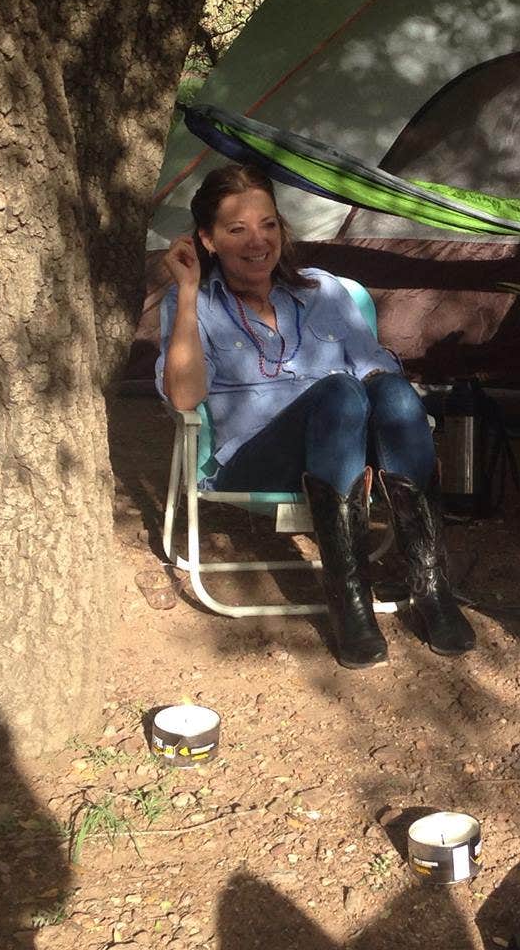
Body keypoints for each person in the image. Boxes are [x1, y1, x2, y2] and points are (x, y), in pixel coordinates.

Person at [158, 162, 474, 669]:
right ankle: (349, 602)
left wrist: (384, 403)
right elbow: (183, 396)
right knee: (340, 393)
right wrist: (191, 295)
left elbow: (375, 368)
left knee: (388, 389)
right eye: (236, 229)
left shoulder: (323, 292)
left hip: (344, 454)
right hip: (258, 458)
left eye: (267, 224)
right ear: (208, 240)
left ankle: (433, 587)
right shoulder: (192, 303)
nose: (256, 240)